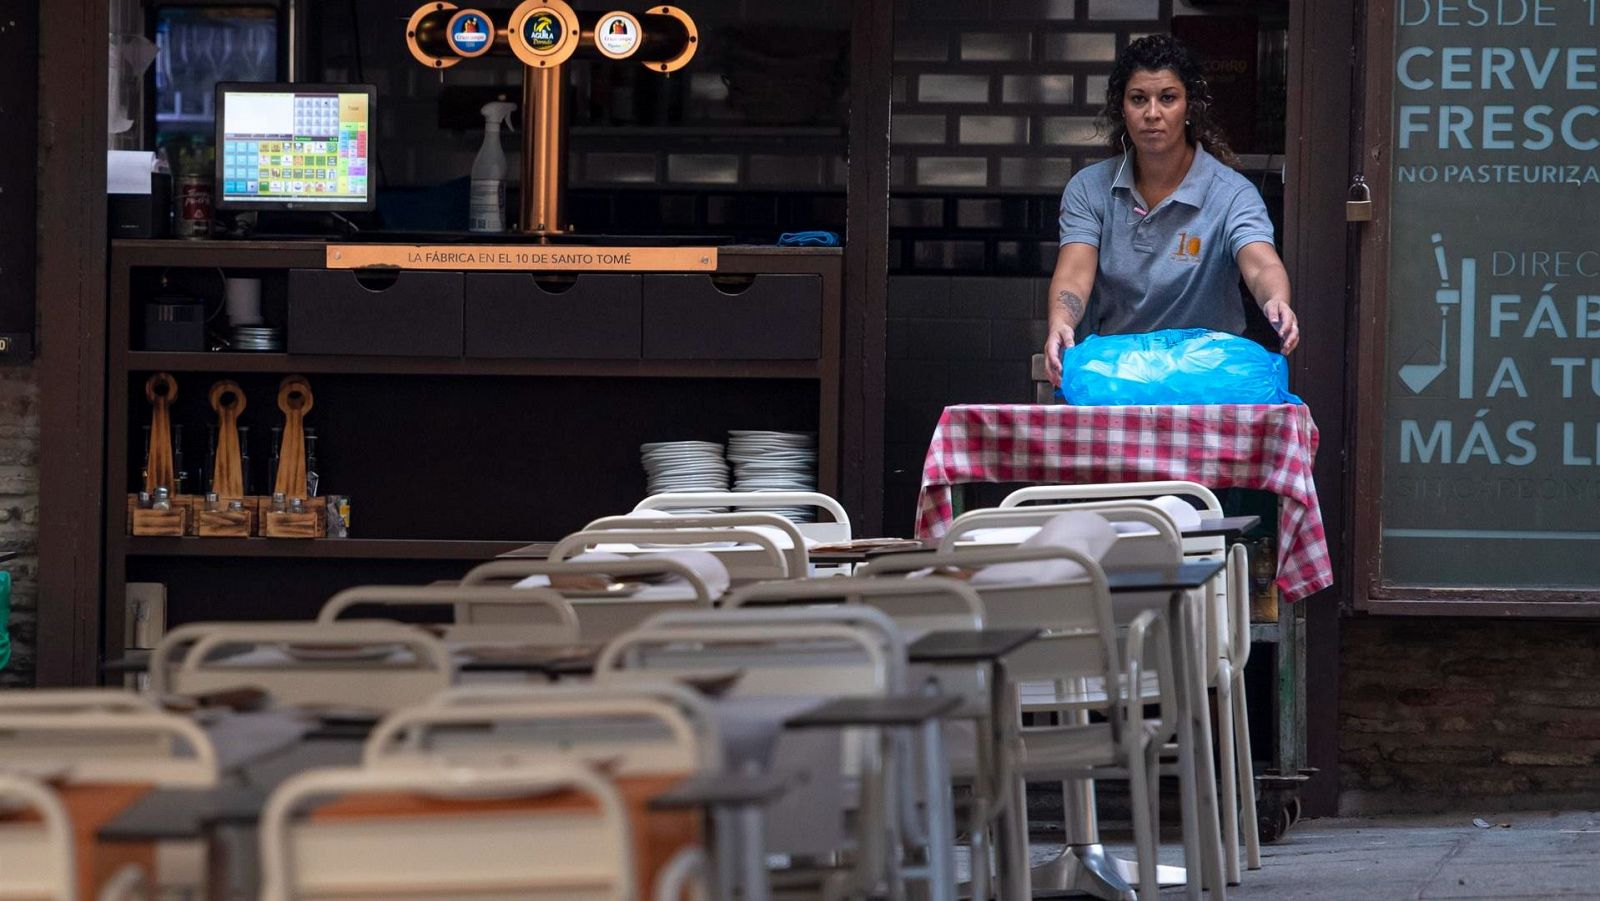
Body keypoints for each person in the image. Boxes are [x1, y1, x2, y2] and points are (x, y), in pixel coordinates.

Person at [1042, 34, 1298, 387]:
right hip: (1118, 378)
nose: (1152, 113)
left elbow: (1261, 262)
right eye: (1138, 99)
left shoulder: (1232, 193)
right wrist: (1060, 323)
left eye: (1167, 98)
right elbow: (1074, 274)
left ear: (1190, 107)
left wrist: (1276, 301)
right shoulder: (1089, 189)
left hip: (1206, 379)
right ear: (1122, 108)